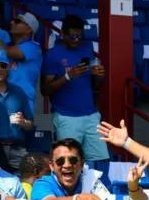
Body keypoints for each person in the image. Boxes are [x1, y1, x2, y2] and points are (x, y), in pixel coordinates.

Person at [41, 15, 109, 163]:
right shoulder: (53, 55)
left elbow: (95, 87)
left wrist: (99, 76)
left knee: (101, 159)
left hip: (91, 115)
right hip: (66, 116)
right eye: (72, 36)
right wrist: (68, 76)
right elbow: (45, 89)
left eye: (79, 36)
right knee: (68, 160)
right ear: (63, 34)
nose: (76, 40)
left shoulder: (86, 52)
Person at [0, 12, 42, 113]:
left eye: (17, 21)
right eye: (13, 20)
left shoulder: (33, 47)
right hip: (2, 98)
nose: (12, 22)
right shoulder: (7, 45)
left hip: (22, 102)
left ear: (28, 29)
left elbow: (5, 52)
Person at [0, 47, 34, 173]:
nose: (0, 69)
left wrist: (24, 123)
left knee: (23, 185)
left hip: (18, 147)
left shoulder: (18, 91)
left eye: (3, 66)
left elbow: (30, 125)